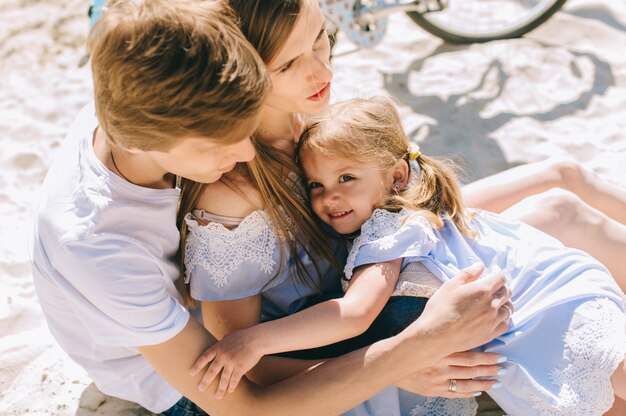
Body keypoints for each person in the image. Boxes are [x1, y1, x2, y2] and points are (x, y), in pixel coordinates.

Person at [30, 1, 512, 415]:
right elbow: (241, 400)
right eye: (220, 143)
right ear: (148, 141)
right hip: (187, 387)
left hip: (248, 323)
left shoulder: (141, 83)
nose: (245, 154)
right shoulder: (98, 246)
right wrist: (403, 358)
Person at [192, 96, 626, 415]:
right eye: (316, 186)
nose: (331, 196)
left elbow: (355, 311)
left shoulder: (386, 229)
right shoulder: (405, 203)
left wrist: (254, 341)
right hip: (524, 312)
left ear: (396, 176)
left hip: (542, 307)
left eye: (346, 177)